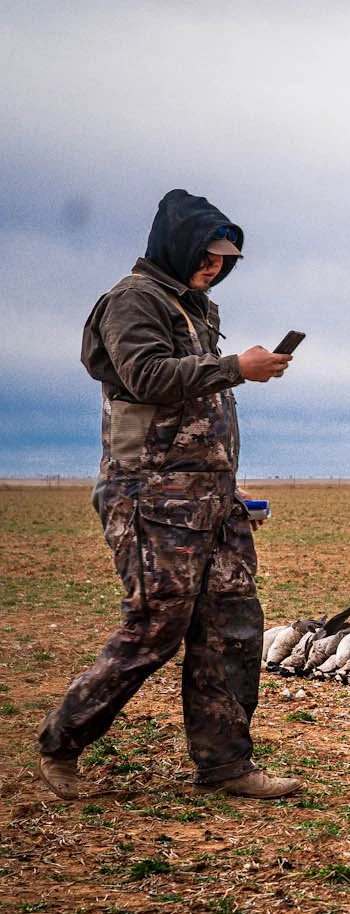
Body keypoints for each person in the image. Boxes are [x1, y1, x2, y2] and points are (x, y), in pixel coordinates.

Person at [39, 189, 299, 800]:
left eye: (225, 260)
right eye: (208, 256)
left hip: (212, 499)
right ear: (178, 244)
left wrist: (225, 484)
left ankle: (226, 763)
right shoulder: (132, 302)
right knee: (155, 626)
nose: (215, 267)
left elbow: (197, 405)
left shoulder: (198, 309)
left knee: (232, 626)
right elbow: (146, 375)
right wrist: (237, 366)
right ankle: (61, 742)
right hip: (152, 498)